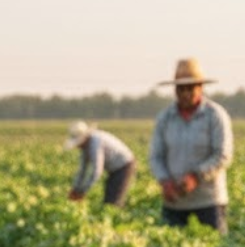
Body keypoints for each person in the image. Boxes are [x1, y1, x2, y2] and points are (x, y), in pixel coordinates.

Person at [148, 59, 234, 233]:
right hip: (174, 204)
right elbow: (156, 156)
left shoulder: (215, 115)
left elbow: (222, 155)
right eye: (181, 89)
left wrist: (196, 176)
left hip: (208, 202)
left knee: (212, 246)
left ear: (200, 88)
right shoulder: (165, 118)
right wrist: (165, 181)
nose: (185, 93)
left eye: (190, 88)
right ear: (175, 90)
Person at [64, 120, 136, 207]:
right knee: (108, 197)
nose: (78, 146)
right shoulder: (85, 147)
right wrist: (76, 188)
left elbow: (97, 171)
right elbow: (82, 170)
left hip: (124, 165)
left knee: (113, 200)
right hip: (113, 170)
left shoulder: (95, 142)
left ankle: (119, 211)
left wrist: (82, 191)